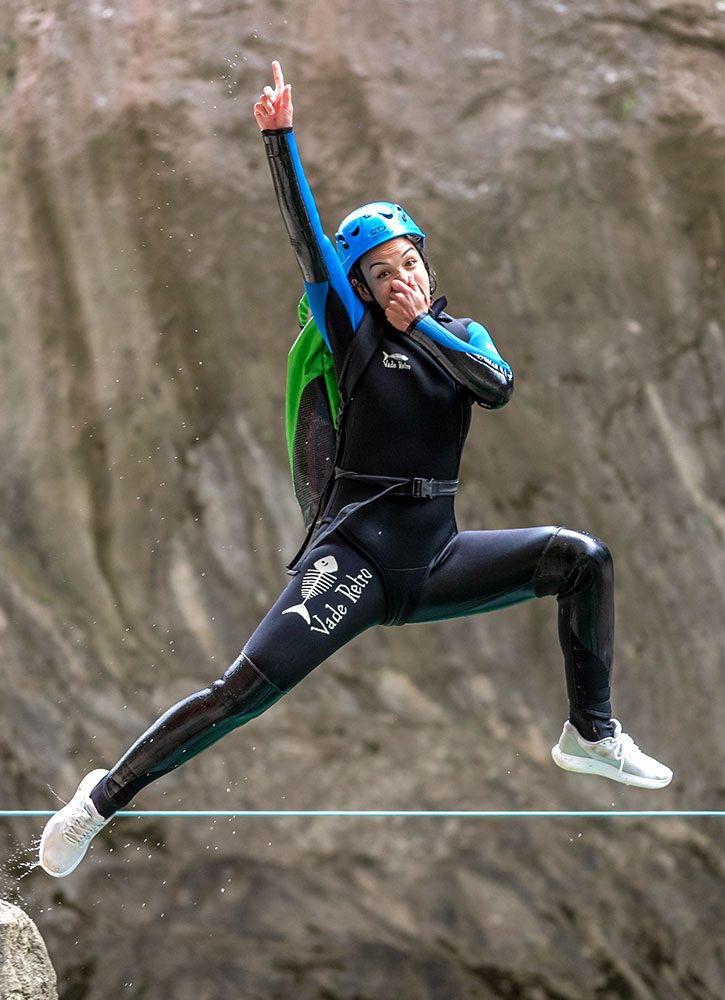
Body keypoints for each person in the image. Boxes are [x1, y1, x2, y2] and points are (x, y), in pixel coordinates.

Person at [39, 61, 672, 879]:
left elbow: (499, 388)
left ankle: (589, 735)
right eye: (379, 275)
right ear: (360, 292)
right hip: (356, 561)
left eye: (407, 263)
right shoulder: (355, 335)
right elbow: (307, 240)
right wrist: (279, 142)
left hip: (436, 559)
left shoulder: (460, 338)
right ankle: (99, 800)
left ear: (425, 265)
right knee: (241, 693)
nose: (398, 279)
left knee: (581, 559)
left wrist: (431, 331)